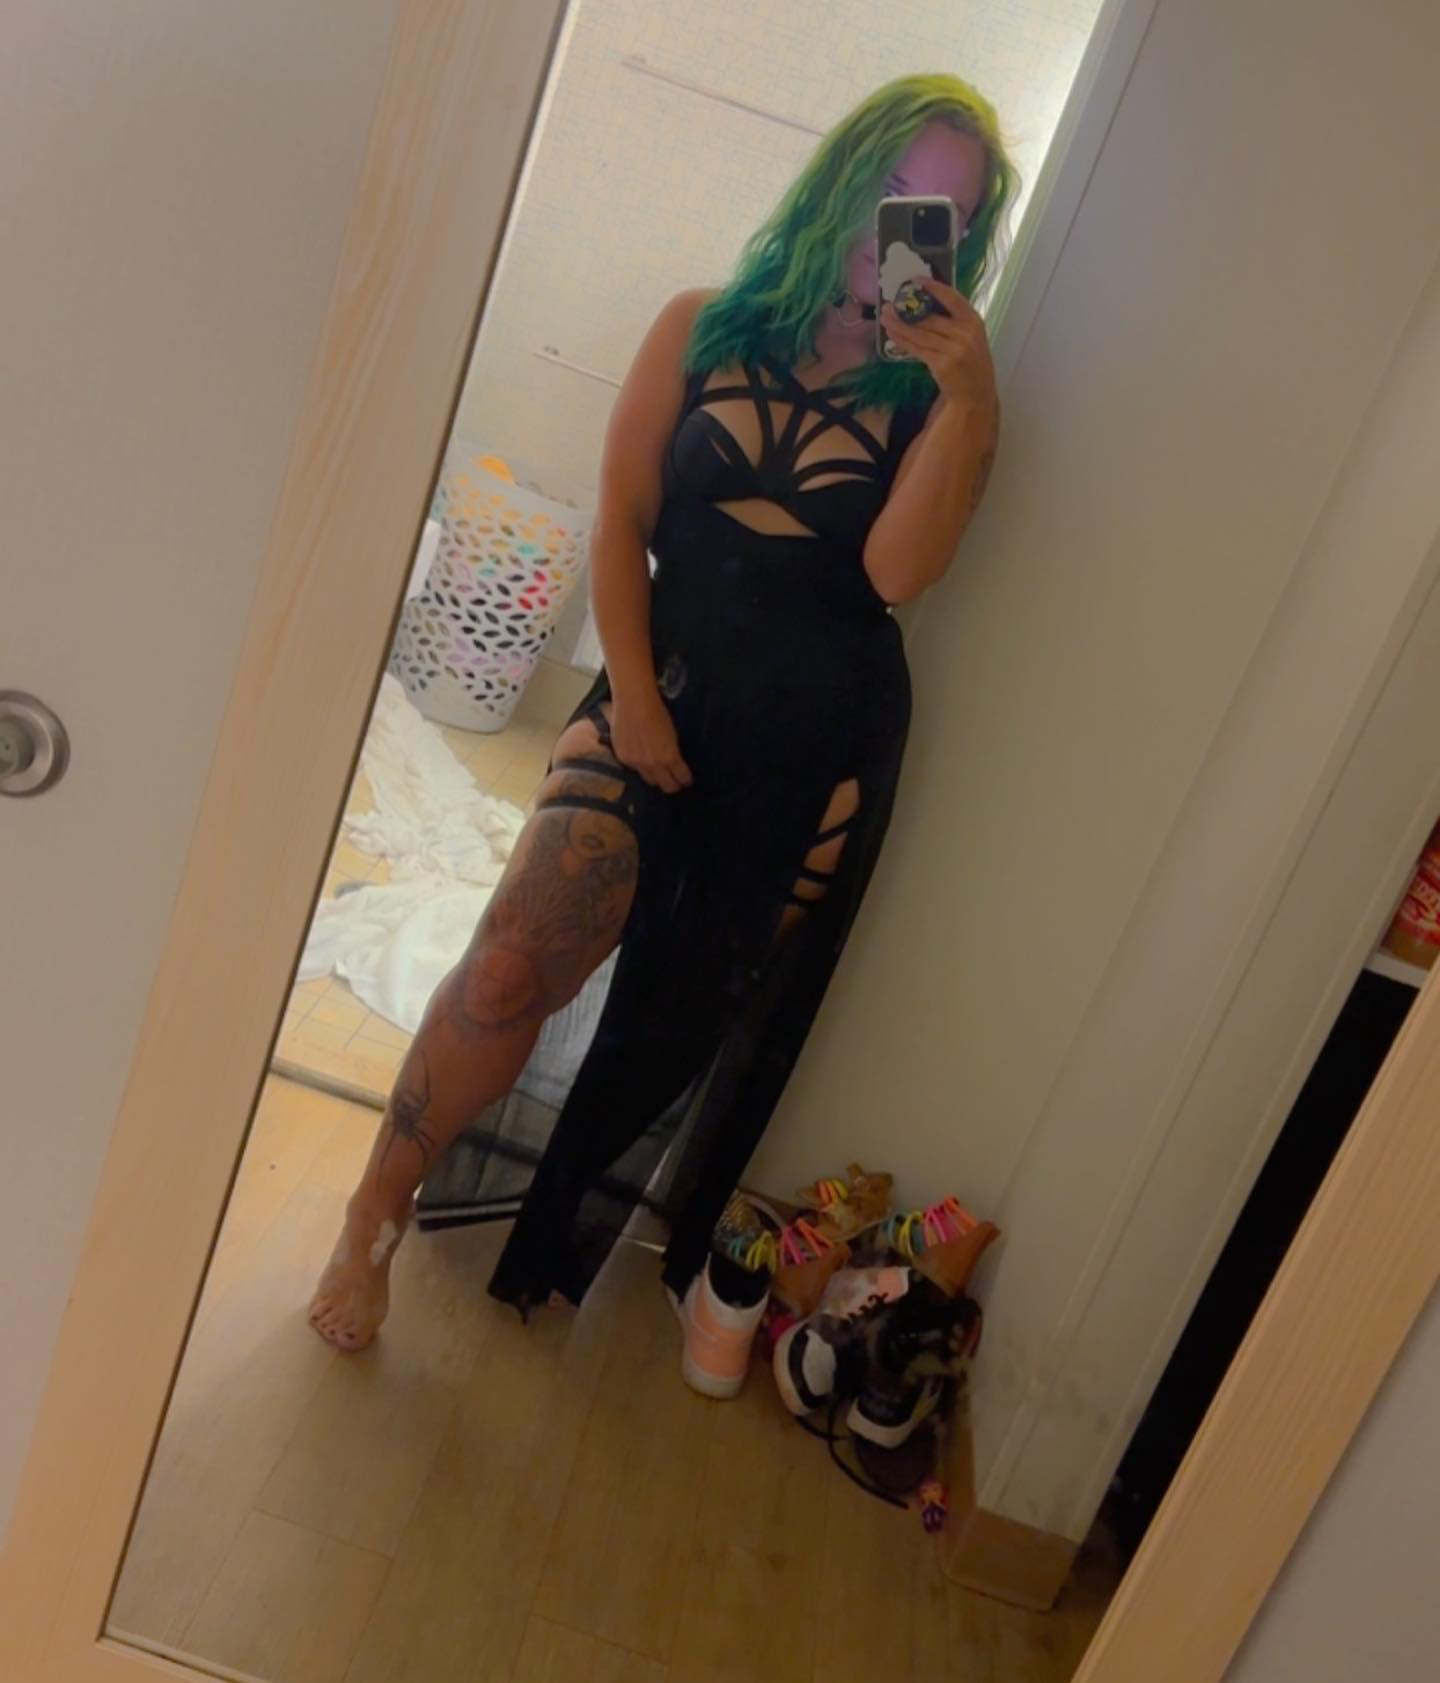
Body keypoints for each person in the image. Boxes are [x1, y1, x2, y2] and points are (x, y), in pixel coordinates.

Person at [309, 73, 1018, 1351]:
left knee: (675, 1024)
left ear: (964, 245)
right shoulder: (699, 326)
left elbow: (893, 576)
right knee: (512, 961)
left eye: (947, 215)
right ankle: (371, 1216)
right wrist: (631, 698)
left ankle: (553, 1254)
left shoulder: (947, 405)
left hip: (814, 752)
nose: (906, 226)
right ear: (844, 181)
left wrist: (967, 400)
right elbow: (621, 522)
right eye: (895, 187)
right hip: (662, 694)